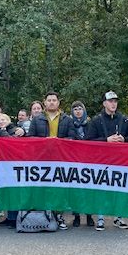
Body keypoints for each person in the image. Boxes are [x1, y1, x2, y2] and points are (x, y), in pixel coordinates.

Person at [85, 91, 128, 230]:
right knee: (101, 189)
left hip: (120, 160)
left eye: (115, 101)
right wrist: (106, 140)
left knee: (119, 189)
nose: (113, 104)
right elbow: (88, 141)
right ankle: (100, 218)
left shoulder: (124, 119)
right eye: (110, 101)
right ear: (104, 103)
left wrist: (124, 139)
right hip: (102, 160)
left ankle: (118, 217)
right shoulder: (96, 120)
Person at [27, 91, 76, 229]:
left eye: (54, 100)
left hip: (60, 159)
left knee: (59, 189)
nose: (52, 102)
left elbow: (73, 138)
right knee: (43, 188)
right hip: (42, 159)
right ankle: (45, 215)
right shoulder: (37, 119)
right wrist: (44, 141)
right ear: (45, 103)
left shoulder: (67, 119)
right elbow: (30, 138)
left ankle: (59, 216)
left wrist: (58, 141)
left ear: (58, 102)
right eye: (49, 100)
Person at [69, 100, 94, 228]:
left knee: (88, 189)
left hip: (89, 160)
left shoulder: (90, 124)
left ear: (84, 110)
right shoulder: (69, 124)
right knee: (75, 190)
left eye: (80, 109)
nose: (78, 111)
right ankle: (77, 216)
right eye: (75, 109)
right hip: (74, 160)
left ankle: (89, 215)